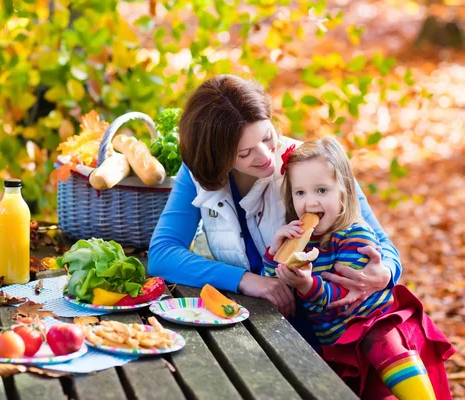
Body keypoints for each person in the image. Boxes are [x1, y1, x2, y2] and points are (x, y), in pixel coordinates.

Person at [148, 75, 401, 344]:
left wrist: (384, 272)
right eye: (244, 153)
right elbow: (163, 254)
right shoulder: (199, 174)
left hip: (337, 324)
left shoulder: (311, 165)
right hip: (258, 324)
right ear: (215, 158)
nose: (265, 156)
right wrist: (246, 280)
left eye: (267, 137)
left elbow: (384, 245)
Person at [263, 136, 455, 399]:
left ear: (343, 193)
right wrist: (275, 253)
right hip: (338, 342)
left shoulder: (354, 235)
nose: (310, 202)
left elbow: (343, 297)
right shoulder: (302, 240)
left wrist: (307, 285)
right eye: (300, 192)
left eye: (322, 190)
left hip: (370, 324)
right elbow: (274, 285)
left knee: (384, 347)